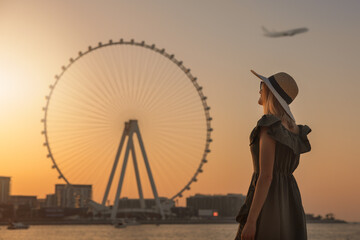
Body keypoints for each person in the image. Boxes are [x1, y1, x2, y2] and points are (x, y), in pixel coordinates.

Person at [234, 70, 312, 240]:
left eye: (262, 86)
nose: (259, 90)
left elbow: (266, 176)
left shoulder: (269, 125)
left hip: (268, 201)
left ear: (270, 92)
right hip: (290, 201)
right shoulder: (296, 130)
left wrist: (251, 221)